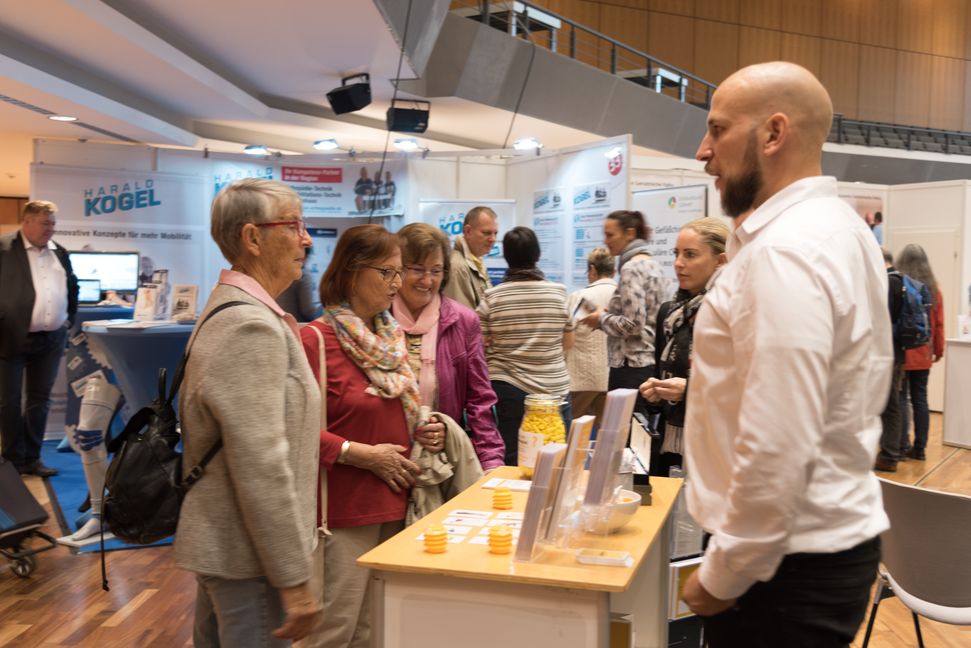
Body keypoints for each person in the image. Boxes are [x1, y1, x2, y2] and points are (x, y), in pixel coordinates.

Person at [684, 62, 892, 646]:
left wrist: (724, 574)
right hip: (803, 554)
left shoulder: (785, 250)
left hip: (778, 568)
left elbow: (779, 438)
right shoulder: (835, 229)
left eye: (718, 129)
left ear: (774, 134)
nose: (703, 152)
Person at [175, 179, 322, 646]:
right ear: (253, 238)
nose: (306, 239)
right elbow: (261, 465)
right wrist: (293, 577)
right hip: (249, 561)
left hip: (237, 553)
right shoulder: (248, 325)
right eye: (294, 226)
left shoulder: (243, 312)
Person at [300, 224, 445, 648]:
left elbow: (401, 409)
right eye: (387, 272)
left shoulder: (391, 339)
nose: (397, 283)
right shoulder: (314, 340)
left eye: (399, 272)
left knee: (378, 634)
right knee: (334, 634)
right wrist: (358, 454)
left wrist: (428, 430)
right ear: (351, 271)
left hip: (399, 505)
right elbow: (291, 431)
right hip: (343, 514)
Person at [391, 222, 505, 471]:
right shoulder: (377, 318)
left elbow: (480, 400)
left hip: (441, 464)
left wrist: (490, 461)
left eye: (436, 270)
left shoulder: (463, 321)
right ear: (397, 268)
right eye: (417, 269)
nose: (427, 280)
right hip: (386, 460)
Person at [476, 226, 574, 465]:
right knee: (557, 462)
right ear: (537, 255)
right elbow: (569, 342)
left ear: (506, 256)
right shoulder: (559, 293)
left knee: (512, 462)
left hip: (509, 389)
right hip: (555, 391)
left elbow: (478, 343)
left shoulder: (493, 297)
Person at [639, 217, 728, 477]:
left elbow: (742, 387)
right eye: (676, 253)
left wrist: (689, 391)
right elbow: (660, 373)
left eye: (690, 255)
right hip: (670, 443)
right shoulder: (670, 314)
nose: (678, 263)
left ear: (720, 261)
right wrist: (654, 394)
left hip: (714, 444)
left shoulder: (730, 313)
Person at [0, 200, 78, 477]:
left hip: (50, 340)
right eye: (45, 223)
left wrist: (68, 317)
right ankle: (12, 461)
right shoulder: (4, 248)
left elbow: (72, 286)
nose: (50, 229)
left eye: (53, 223)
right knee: (8, 402)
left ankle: (32, 459)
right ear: (27, 222)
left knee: (40, 401)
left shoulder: (60, 252)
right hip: (10, 337)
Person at [579, 210, 669, 420]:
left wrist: (600, 319)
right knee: (641, 432)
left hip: (630, 367)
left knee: (623, 432)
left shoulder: (630, 268)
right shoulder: (655, 265)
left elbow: (633, 324)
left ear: (630, 233)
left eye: (610, 235)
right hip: (650, 363)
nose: (605, 241)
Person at [896, 243, 945, 461]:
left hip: (903, 351)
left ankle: (902, 445)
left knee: (902, 398)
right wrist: (939, 350)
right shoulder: (934, 290)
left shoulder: (899, 286)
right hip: (924, 352)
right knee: (920, 399)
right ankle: (920, 448)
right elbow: (939, 324)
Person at [565, 247, 616, 426]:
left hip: (581, 380)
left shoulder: (582, 297)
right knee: (607, 435)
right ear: (614, 271)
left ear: (593, 269)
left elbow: (566, 337)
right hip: (612, 380)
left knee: (572, 434)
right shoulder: (621, 297)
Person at [874, 248, 905, 472]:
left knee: (890, 404)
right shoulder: (901, 280)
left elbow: (882, 318)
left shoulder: (888, 282)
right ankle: (895, 449)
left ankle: (889, 454)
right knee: (894, 401)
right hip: (897, 351)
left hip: (888, 351)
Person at [443, 206, 498, 310]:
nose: (493, 239)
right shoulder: (458, 267)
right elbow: (460, 317)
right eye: (486, 233)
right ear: (468, 231)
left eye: (495, 233)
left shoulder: (476, 262)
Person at [277, 246, 323, 322]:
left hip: (279, 322)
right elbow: (308, 311)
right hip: (297, 324)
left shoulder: (279, 271)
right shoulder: (303, 274)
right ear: (304, 256)